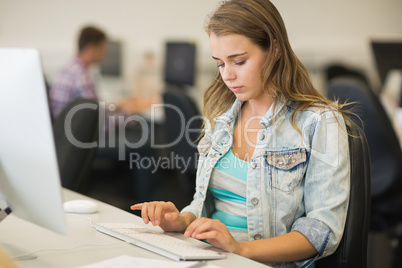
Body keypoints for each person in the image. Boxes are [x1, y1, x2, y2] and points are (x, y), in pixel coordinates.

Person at [131, 0, 350, 267]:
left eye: (239, 61)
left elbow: (321, 232)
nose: (228, 75)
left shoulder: (320, 122)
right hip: (210, 256)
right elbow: (205, 205)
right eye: (220, 64)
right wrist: (180, 220)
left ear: (275, 49)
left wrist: (240, 249)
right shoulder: (221, 118)